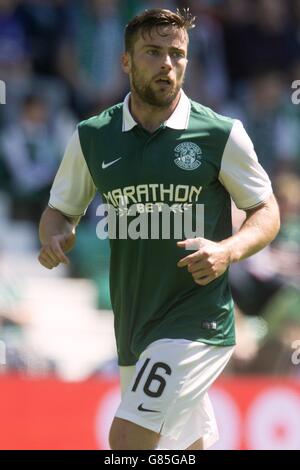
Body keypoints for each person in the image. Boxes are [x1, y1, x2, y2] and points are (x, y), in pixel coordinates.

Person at [38, 9, 280, 450]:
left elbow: (266, 211)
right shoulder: (93, 136)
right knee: (187, 448)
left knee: (128, 440)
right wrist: (54, 236)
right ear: (126, 61)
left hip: (197, 321)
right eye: (153, 52)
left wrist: (228, 250)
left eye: (177, 54)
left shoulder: (220, 133)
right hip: (134, 324)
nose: (167, 63)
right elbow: (58, 211)